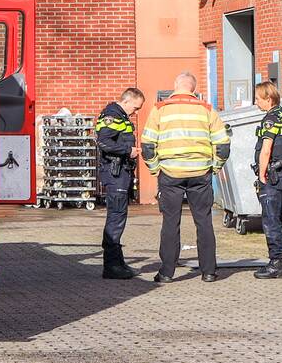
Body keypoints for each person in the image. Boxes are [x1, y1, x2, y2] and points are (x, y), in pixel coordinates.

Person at [141, 72, 229, 284]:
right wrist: (214, 167)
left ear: (175, 86)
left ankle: (166, 273)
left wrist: (155, 169)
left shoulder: (160, 110)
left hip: (170, 174)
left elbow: (147, 145)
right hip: (201, 173)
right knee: (204, 222)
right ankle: (208, 271)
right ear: (193, 88)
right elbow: (223, 145)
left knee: (170, 222)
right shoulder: (207, 109)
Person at [95, 87, 145, 279]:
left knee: (118, 217)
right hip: (115, 174)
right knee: (115, 217)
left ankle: (117, 261)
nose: (136, 111)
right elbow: (104, 143)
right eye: (136, 107)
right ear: (127, 101)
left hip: (120, 173)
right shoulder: (112, 116)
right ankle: (111, 265)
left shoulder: (120, 116)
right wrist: (128, 150)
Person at [253, 81, 282, 279]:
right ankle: (277, 261)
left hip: (272, 175)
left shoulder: (271, 119)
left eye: (258, 99)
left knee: (270, 219)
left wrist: (262, 175)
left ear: (268, 98)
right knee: (275, 216)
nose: (256, 103)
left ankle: (275, 263)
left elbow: (266, 149)